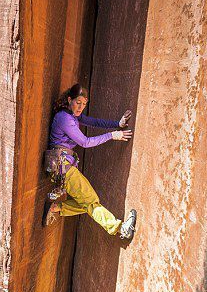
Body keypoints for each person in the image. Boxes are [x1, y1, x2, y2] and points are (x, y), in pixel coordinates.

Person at [43, 83, 137, 240]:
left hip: (62, 169)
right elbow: (85, 142)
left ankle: (55, 208)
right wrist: (112, 135)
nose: (80, 107)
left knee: (86, 204)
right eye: (78, 102)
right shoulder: (64, 118)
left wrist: (117, 124)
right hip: (63, 168)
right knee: (92, 203)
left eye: (84, 104)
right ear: (69, 99)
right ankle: (120, 229)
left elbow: (93, 122)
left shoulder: (71, 115)